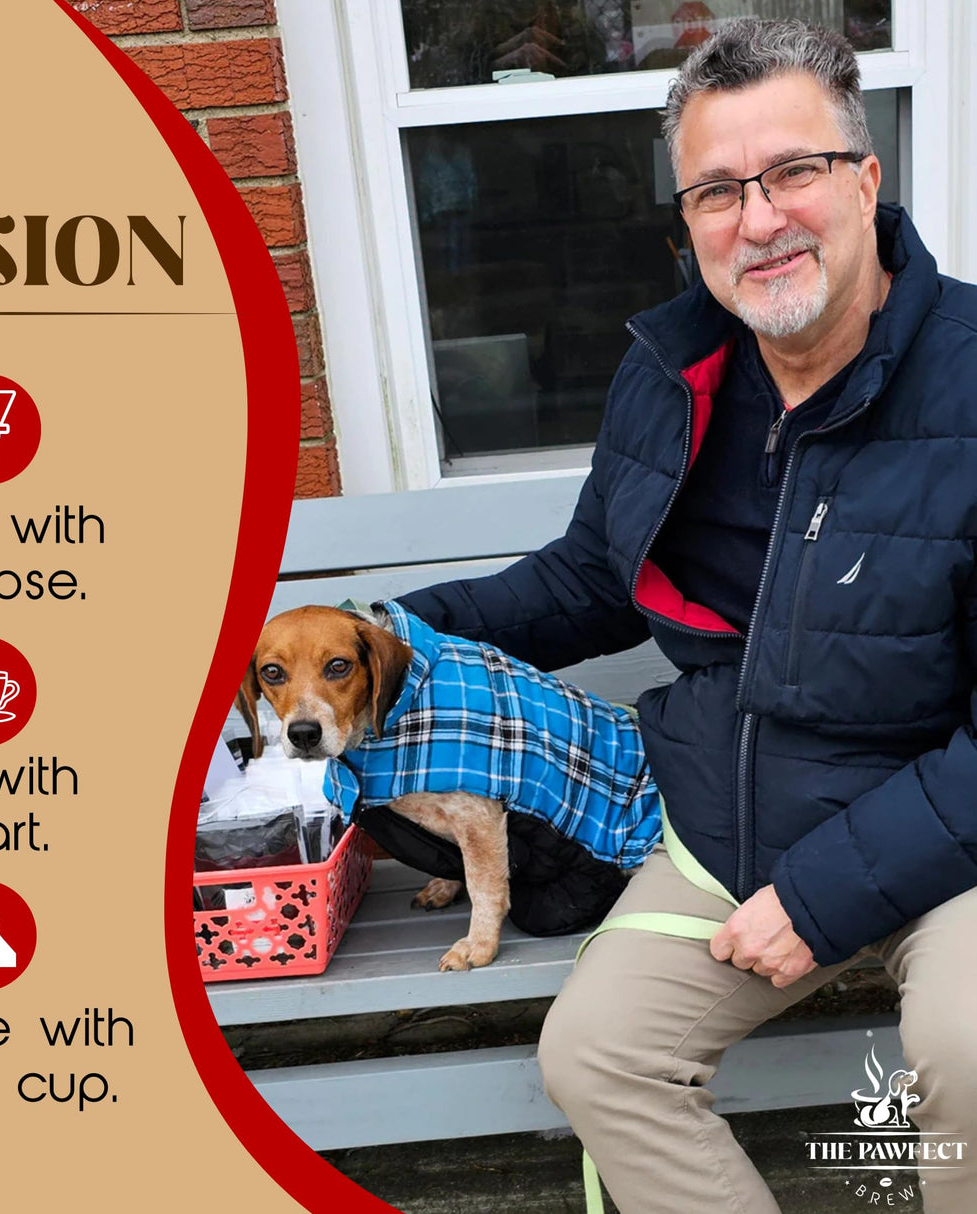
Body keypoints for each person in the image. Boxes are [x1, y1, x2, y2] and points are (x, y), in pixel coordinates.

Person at [397, 17, 977, 1213]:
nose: (755, 220)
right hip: (732, 817)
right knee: (595, 1054)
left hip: (948, 824)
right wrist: (380, 631)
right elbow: (588, 578)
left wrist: (821, 898)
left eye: (791, 171)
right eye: (715, 190)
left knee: (969, 1049)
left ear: (863, 179)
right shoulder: (673, 371)